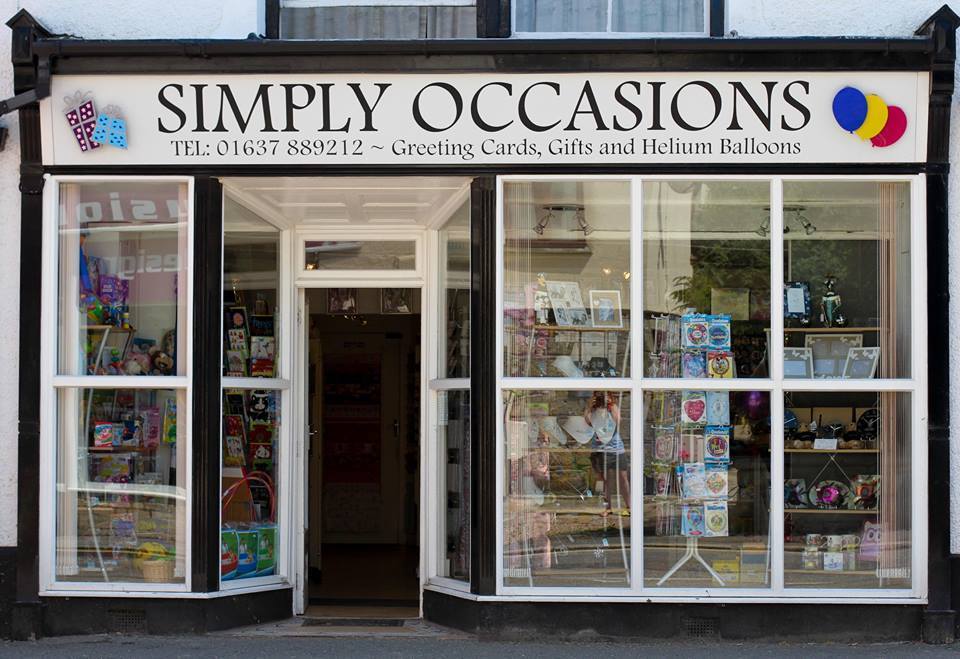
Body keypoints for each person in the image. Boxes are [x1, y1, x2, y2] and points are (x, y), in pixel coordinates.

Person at [585, 391, 630, 516]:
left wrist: (610, 405)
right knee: (604, 480)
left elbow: (618, 421)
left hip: (616, 448)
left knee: (623, 478)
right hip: (600, 449)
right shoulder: (593, 409)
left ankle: (629, 506)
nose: (601, 398)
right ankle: (607, 508)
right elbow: (588, 422)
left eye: (604, 395)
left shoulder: (613, 407)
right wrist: (589, 406)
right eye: (599, 395)